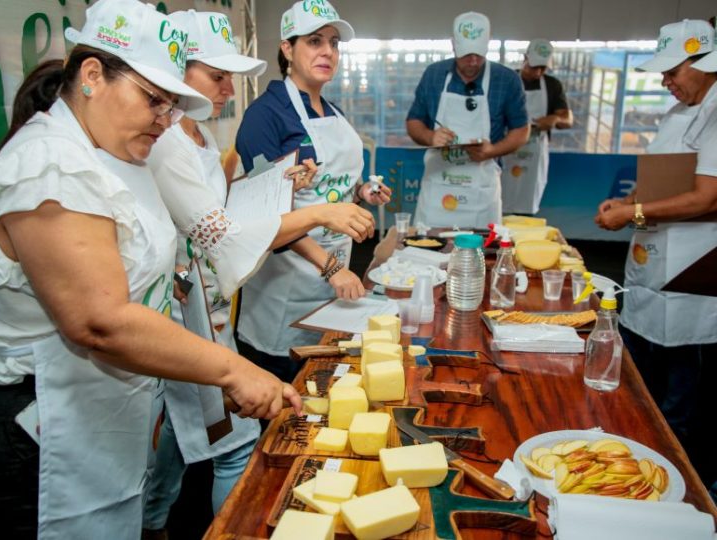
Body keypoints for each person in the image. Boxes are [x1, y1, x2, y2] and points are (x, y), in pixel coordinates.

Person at [0, 1, 300, 537]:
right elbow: (100, 321)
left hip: (104, 404)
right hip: (39, 424)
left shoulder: (115, 153)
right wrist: (232, 370)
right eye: (153, 100)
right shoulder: (50, 163)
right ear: (92, 76)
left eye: (170, 106)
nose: (165, 120)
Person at [141, 10, 375, 534]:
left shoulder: (197, 137)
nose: (229, 88)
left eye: (334, 43)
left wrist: (290, 187)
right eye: (217, 76)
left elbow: (229, 202)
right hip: (203, 304)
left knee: (182, 439)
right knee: (231, 442)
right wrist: (320, 220)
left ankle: (153, 522)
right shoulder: (178, 140)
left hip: (211, 302)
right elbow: (221, 230)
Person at [235, 0, 391, 383]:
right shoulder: (264, 116)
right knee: (284, 403)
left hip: (334, 285)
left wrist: (360, 192)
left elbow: (327, 191)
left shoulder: (332, 111)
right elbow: (265, 218)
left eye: (334, 43)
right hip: (285, 289)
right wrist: (332, 267)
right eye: (314, 41)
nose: (328, 52)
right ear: (287, 49)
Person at [594, 19, 717, 480]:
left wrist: (630, 215)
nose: (665, 82)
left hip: (693, 274)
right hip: (653, 268)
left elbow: (707, 196)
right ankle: (632, 467)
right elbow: (662, 181)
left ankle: (685, 486)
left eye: (672, 71)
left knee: (681, 399)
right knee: (642, 384)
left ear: (704, 62)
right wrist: (626, 202)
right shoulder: (679, 110)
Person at [406, 12, 529, 228]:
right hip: (438, 190)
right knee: (427, 250)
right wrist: (430, 136)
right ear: (453, 45)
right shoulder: (434, 75)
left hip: (481, 192)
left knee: (483, 253)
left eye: (479, 54)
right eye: (466, 55)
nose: (473, 61)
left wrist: (491, 151)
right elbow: (413, 122)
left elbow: (521, 130)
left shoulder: (507, 80)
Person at [501, 39, 573, 215]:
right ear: (525, 58)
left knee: (528, 200)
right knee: (501, 199)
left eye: (543, 68)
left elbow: (568, 119)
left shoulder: (552, 85)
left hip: (534, 153)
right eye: (534, 66)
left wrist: (554, 119)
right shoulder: (507, 81)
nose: (538, 72)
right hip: (506, 149)